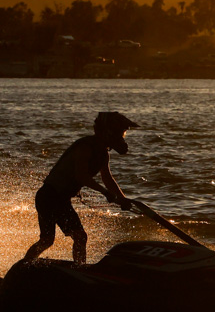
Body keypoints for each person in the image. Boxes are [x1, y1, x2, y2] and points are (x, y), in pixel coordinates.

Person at [23, 112, 139, 264]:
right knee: (51, 239)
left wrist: (122, 199)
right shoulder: (86, 147)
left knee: (71, 238)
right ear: (109, 132)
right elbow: (81, 176)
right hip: (50, 196)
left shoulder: (103, 153)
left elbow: (107, 179)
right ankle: (26, 266)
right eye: (121, 133)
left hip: (60, 198)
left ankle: (78, 268)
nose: (123, 137)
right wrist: (105, 193)